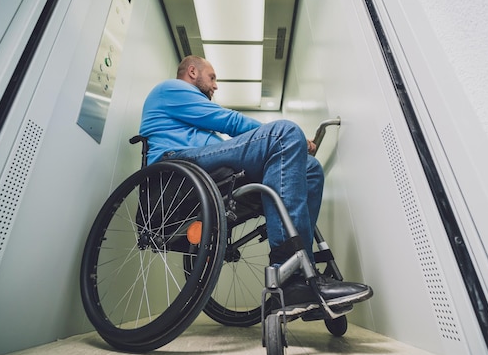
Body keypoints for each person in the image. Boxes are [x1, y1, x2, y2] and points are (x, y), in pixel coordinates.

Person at [140, 55, 372, 315]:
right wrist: (283, 137)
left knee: (310, 170)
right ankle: (289, 274)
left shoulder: (189, 113)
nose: (215, 86)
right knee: (284, 133)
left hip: (207, 167)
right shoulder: (171, 89)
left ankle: (303, 275)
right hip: (179, 165)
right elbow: (230, 122)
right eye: (212, 77)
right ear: (192, 72)